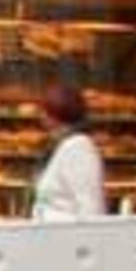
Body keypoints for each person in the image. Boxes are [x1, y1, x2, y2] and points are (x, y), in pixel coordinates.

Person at [31, 84, 108, 221]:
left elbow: (91, 207)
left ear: (54, 113)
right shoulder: (58, 147)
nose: (40, 116)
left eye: (43, 110)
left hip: (67, 238)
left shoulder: (78, 148)